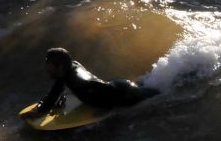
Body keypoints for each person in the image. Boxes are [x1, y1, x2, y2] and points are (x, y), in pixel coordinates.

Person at [24, 48, 158, 118]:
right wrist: (41, 110)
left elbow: (104, 88)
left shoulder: (80, 80)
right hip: (116, 85)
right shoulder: (65, 72)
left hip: (125, 92)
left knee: (157, 95)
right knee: (148, 87)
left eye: (50, 66)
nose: (47, 69)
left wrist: (106, 108)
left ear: (60, 67)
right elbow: (54, 92)